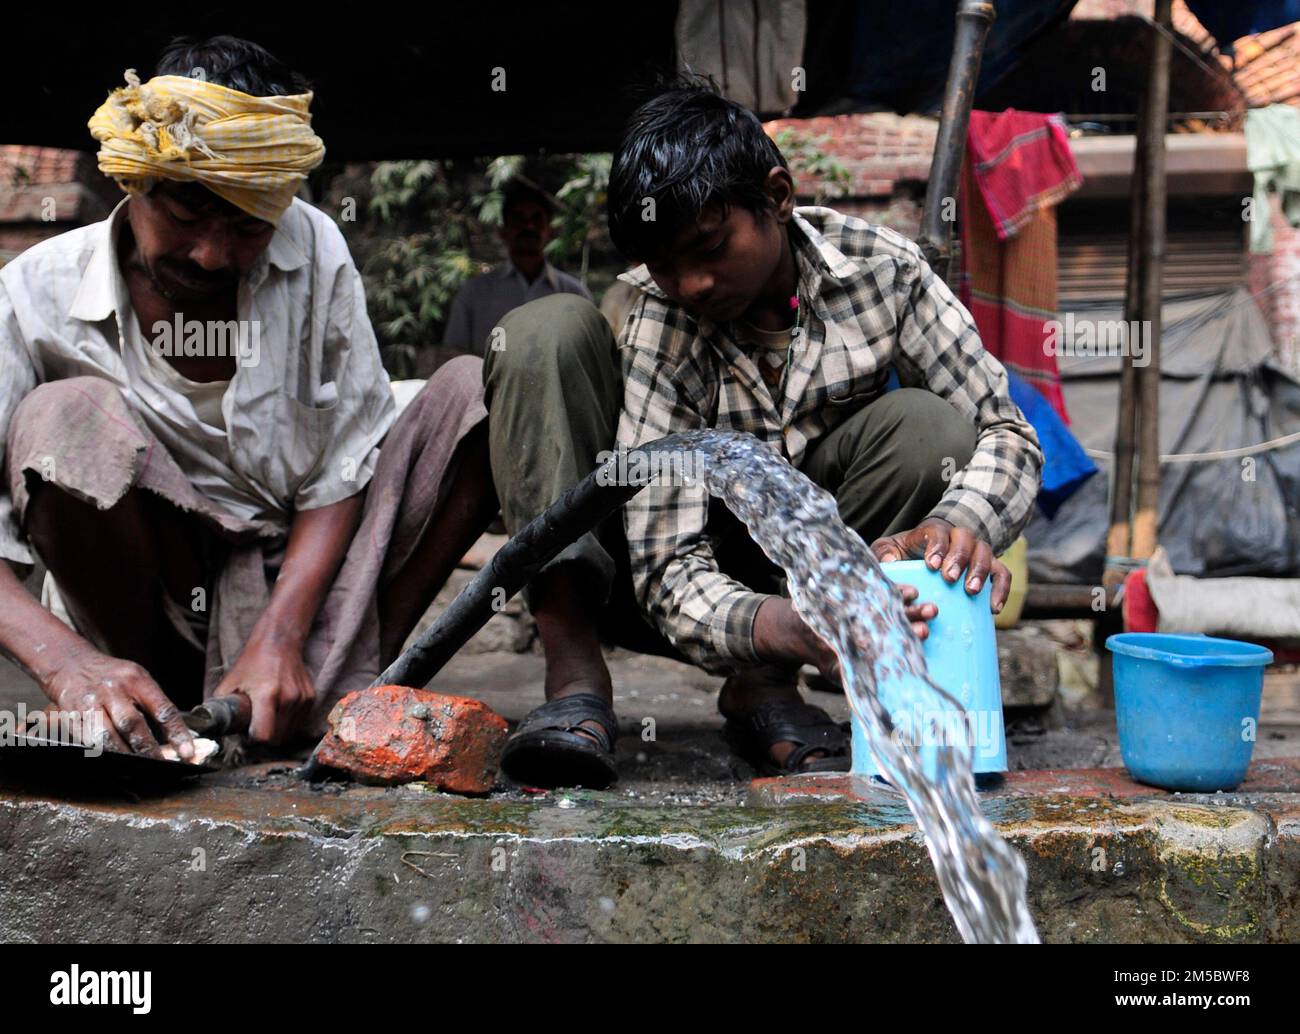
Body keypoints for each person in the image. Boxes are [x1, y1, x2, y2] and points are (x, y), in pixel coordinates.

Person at [482, 82, 1044, 789]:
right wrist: (786, 623)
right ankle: (575, 679)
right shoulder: (666, 321)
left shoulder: (884, 273)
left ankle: (765, 687)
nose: (690, 284)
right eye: (663, 265)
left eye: (709, 248)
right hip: (651, 590)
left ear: (777, 196)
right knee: (545, 328)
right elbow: (664, 570)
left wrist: (956, 525)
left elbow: (1008, 433)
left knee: (930, 431)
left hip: (806, 571)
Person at [0, 36, 498, 759]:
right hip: (150, 601)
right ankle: (144, 699)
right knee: (62, 415)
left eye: (246, 223)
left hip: (318, 600)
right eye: (188, 210)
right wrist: (69, 666)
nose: (211, 255)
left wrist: (280, 637)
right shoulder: (30, 293)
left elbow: (342, 465)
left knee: (475, 392)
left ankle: (287, 687)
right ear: (130, 182)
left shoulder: (316, 246)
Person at [444, 181, 591, 356]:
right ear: (502, 231)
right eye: (519, 219)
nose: (529, 226)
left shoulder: (575, 295)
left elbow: (590, 358)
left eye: (537, 219)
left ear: (551, 232)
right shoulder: (474, 294)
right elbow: (454, 356)